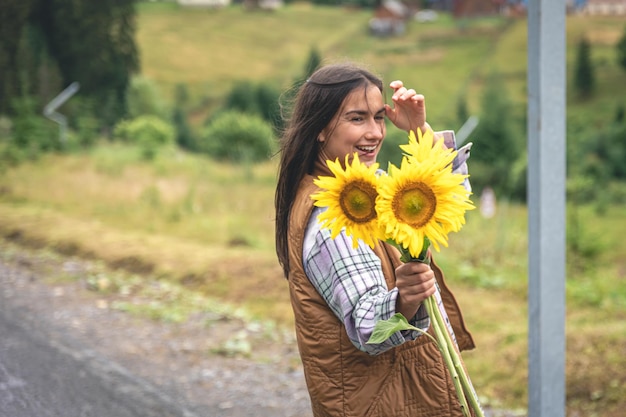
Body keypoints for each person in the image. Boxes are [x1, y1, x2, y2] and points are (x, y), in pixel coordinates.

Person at [274, 62, 475, 417]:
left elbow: (450, 196)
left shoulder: (366, 188)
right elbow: (370, 328)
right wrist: (404, 301)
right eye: (357, 119)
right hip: (385, 403)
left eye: (379, 117)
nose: (375, 133)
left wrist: (419, 130)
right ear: (321, 128)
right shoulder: (332, 218)